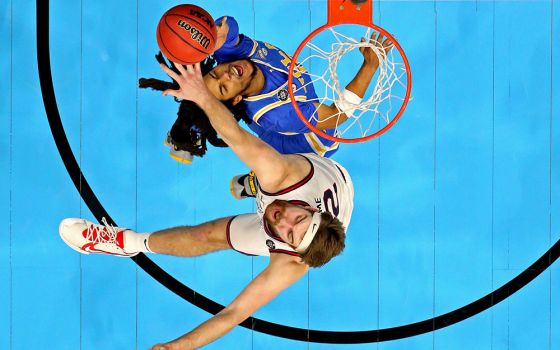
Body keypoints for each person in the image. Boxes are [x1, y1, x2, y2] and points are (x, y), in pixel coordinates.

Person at [59, 60, 354, 349]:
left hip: (289, 208)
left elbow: (234, 313)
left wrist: (178, 347)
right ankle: (254, 184)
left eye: (290, 234)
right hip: (321, 171)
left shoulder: (290, 261)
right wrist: (198, 91)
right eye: (298, 219)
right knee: (270, 147)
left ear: (293, 250)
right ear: (313, 210)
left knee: (208, 236)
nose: (283, 222)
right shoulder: (283, 175)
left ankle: (126, 242)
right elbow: (234, 135)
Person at [151, 15, 392, 163]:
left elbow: (229, 27)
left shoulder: (230, 58)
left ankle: (189, 124)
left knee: (209, 108)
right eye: (224, 87)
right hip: (305, 145)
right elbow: (336, 116)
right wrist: (370, 66)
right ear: (236, 97)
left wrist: (217, 31)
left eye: (215, 73)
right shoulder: (280, 114)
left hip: (270, 118)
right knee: (276, 174)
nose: (226, 74)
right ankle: (184, 136)